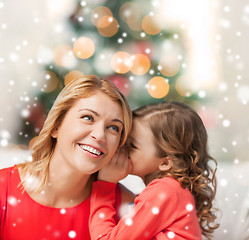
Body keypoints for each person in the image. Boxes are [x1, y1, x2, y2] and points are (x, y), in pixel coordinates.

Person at [0, 75, 134, 240]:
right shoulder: (3, 190)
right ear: (56, 125)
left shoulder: (125, 206)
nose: (100, 135)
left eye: (114, 128)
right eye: (88, 118)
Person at [89, 101, 219, 240]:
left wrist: (105, 185)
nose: (121, 147)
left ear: (165, 162)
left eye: (132, 145)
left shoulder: (164, 191)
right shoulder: (172, 191)